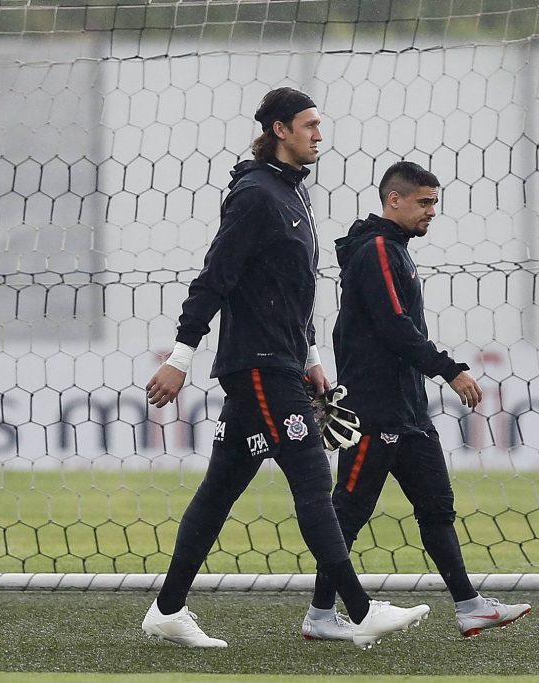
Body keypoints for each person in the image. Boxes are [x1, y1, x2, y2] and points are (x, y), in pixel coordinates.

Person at [139, 87, 430, 650]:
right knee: (313, 481)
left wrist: (313, 359)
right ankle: (359, 611)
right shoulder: (254, 195)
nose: (319, 134)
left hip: (282, 364)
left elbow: (292, 292)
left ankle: (168, 609)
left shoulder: (292, 196)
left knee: (220, 490)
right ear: (280, 129)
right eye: (309, 125)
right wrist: (180, 355)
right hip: (257, 365)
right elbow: (215, 277)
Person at [301, 160, 532, 641]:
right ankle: (321, 616)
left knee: (436, 509)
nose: (432, 211)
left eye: (435, 202)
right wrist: (450, 369)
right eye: (424, 202)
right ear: (394, 200)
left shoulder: (395, 250)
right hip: (373, 411)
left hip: (408, 411)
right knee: (348, 512)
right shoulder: (380, 250)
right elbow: (393, 325)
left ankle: (470, 606)